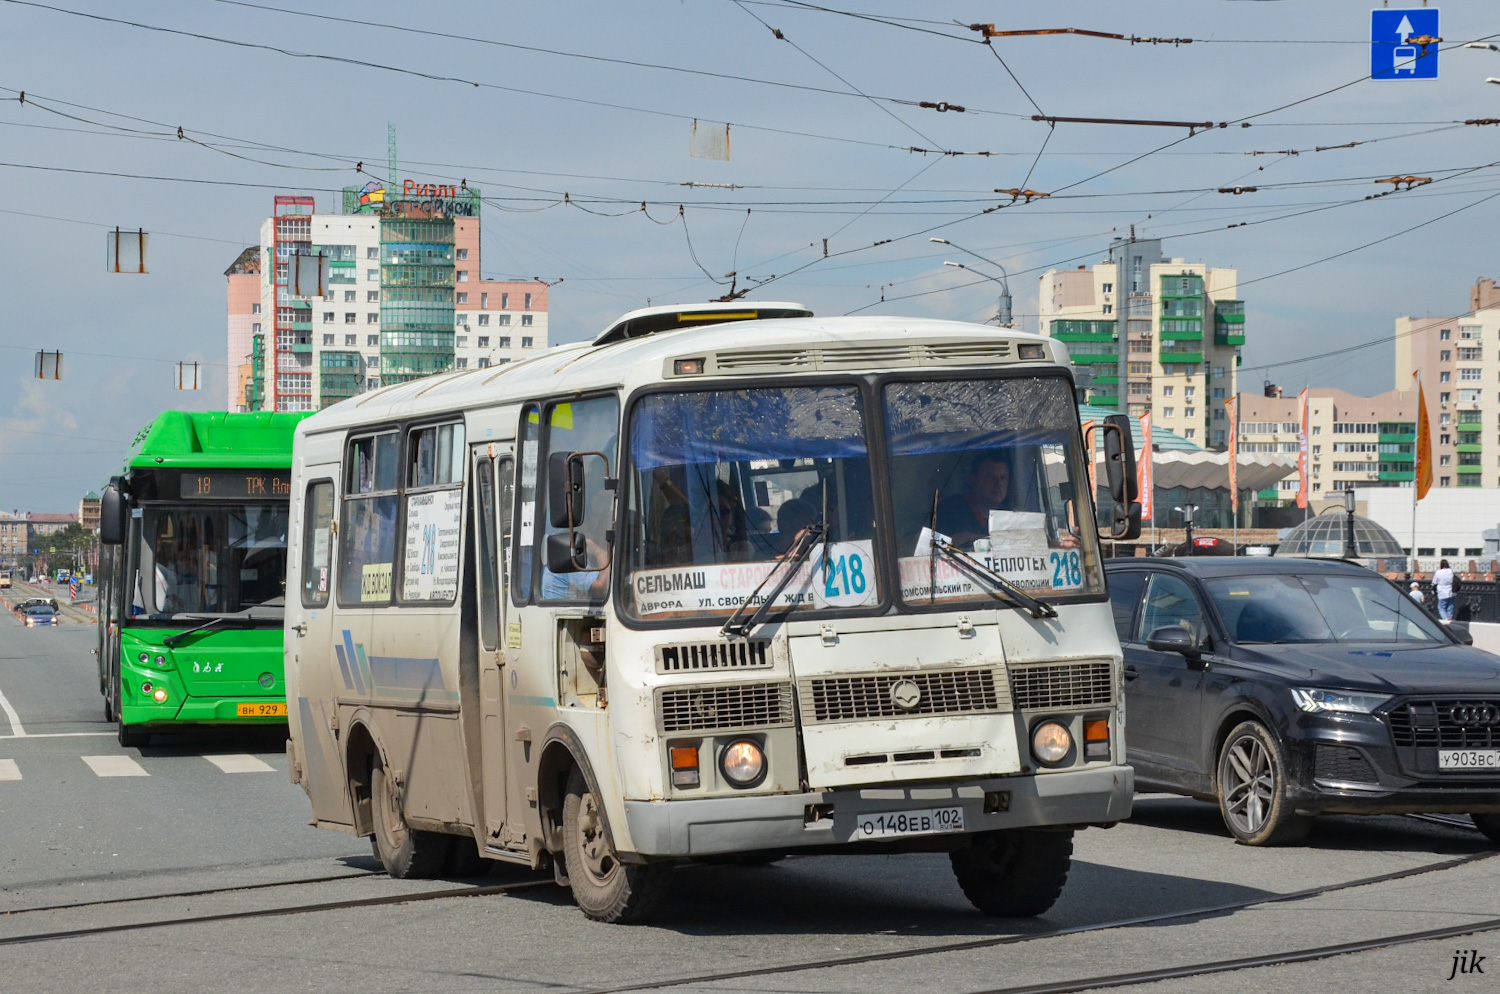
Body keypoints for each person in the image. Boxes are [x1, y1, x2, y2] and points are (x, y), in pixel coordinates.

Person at [935, 453, 1077, 550]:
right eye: (990, 477)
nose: (998, 484)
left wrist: (1061, 545)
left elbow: (1031, 543)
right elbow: (939, 545)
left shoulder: (1012, 510)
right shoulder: (951, 509)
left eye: (1003, 478)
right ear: (973, 480)